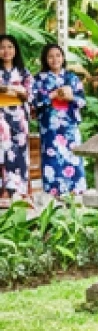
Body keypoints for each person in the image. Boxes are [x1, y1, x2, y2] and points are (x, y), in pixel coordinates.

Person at [31, 43, 87, 199]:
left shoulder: (72, 78)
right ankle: (53, 196)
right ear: (45, 59)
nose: (54, 59)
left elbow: (82, 101)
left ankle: (75, 195)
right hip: (50, 127)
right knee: (52, 160)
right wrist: (52, 95)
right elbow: (34, 102)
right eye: (50, 56)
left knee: (73, 158)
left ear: (63, 58)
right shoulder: (39, 79)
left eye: (58, 55)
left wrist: (71, 97)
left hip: (69, 127)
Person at [0, 34, 32, 208]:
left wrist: (14, 89)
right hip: (0, 116)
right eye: (2, 47)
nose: (6, 51)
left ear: (15, 50)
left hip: (18, 117)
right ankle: (5, 190)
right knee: (4, 151)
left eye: (10, 47)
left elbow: (29, 94)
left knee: (20, 153)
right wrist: (13, 89)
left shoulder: (23, 72)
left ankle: (20, 191)